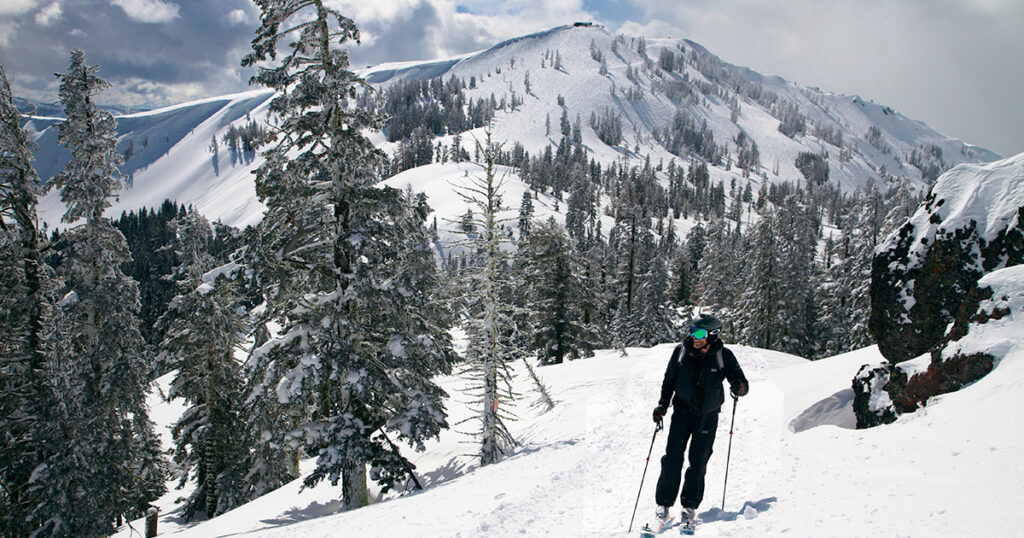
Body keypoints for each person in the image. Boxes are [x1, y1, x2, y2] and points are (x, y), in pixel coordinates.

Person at [650, 314, 748, 532]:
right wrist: (662, 406)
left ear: (712, 335)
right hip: (682, 414)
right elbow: (669, 381)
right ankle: (664, 505)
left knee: (698, 462)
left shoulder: (723, 355)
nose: (695, 337)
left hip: (707, 416)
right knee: (672, 458)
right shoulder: (681, 352)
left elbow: (741, 381)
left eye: (700, 333)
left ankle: (689, 507)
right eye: (693, 331)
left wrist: (739, 387)